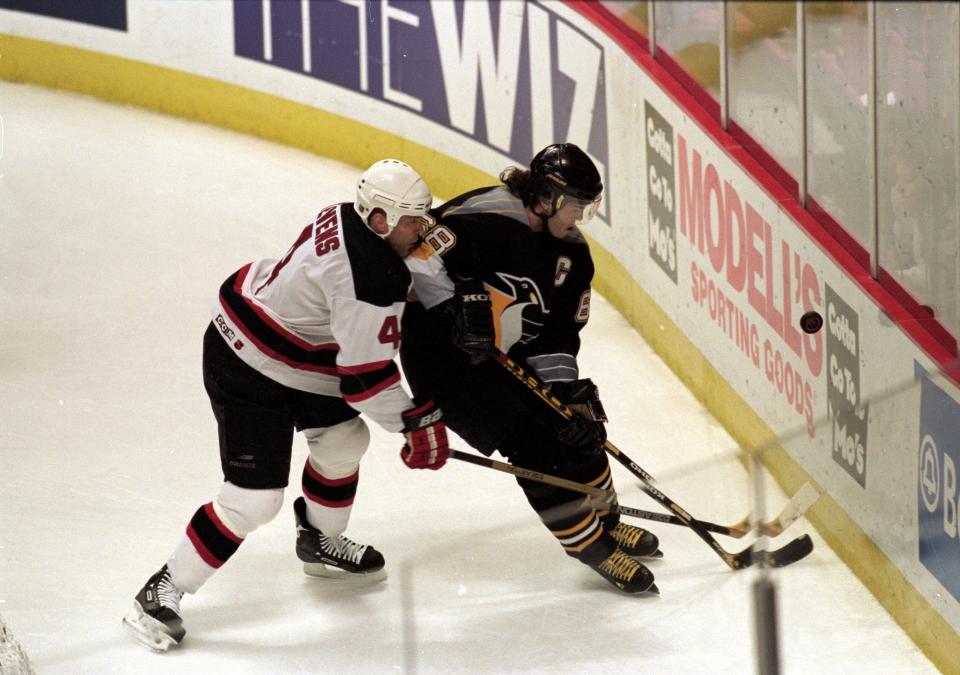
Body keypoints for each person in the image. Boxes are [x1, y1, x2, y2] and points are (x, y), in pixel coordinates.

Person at [123, 159, 450, 651]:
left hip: (289, 346)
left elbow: (356, 360)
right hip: (246, 360)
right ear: (379, 220)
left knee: (344, 440)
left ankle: (320, 542)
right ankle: (162, 589)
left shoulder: (348, 215)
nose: (420, 229)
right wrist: (412, 422)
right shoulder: (370, 274)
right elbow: (365, 381)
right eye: (412, 220)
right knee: (254, 499)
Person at [400, 143, 661, 595]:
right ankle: (590, 546)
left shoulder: (573, 256)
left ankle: (608, 521)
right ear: (545, 198)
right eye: (575, 207)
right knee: (535, 447)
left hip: (506, 356)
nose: (578, 219)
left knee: (576, 425)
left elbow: (559, 336)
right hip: (443, 361)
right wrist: (453, 308)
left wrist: (565, 395)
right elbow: (414, 260)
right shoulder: (482, 216)